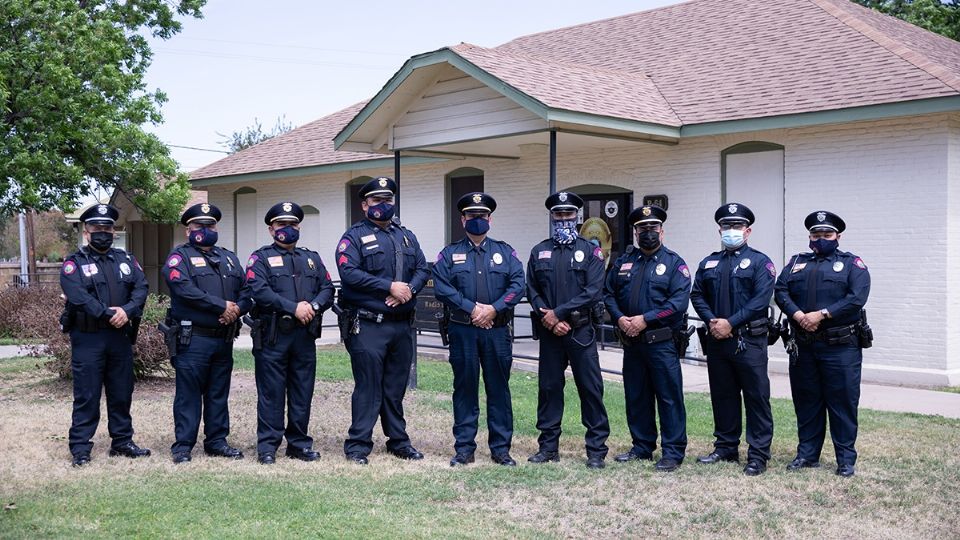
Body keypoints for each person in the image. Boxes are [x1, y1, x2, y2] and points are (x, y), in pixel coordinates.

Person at [336, 177, 430, 465]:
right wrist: (389, 286)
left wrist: (408, 290)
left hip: (401, 325)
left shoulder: (406, 235)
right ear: (365, 205)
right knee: (368, 387)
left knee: (395, 387)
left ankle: (398, 442)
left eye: (387, 199)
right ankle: (358, 445)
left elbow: (423, 268)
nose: (383, 205)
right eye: (376, 200)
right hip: (368, 325)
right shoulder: (352, 237)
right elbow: (349, 273)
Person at [432, 192, 525, 467]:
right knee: (464, 389)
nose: (477, 220)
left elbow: (518, 285)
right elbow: (441, 287)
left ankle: (501, 449)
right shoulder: (449, 254)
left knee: (499, 389)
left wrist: (493, 309)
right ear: (463, 219)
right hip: (463, 331)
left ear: (490, 219)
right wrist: (473, 309)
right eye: (471, 216)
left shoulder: (505, 252)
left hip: (496, 332)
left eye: (481, 216)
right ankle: (464, 448)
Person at [775, 210, 870, 478]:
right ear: (809, 236)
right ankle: (807, 455)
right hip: (804, 346)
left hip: (840, 347)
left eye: (826, 234)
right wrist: (797, 314)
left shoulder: (852, 264)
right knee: (807, 402)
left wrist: (822, 314)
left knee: (842, 403)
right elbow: (780, 290)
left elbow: (857, 297)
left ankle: (845, 460)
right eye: (816, 235)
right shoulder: (796, 263)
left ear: (837, 236)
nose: (821, 239)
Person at [60, 203, 150, 467]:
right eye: (97, 228)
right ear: (86, 232)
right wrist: (108, 314)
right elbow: (77, 295)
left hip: (119, 337)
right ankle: (80, 447)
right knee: (87, 394)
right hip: (89, 338)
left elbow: (141, 288)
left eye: (108, 228)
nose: (103, 232)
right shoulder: (74, 263)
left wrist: (128, 310)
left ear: (114, 231)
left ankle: (122, 442)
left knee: (122, 392)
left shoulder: (126, 260)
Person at [162, 203, 252, 463]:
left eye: (210, 225)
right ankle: (183, 446)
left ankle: (216, 441)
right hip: (193, 338)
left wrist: (236, 310)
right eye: (199, 225)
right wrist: (221, 305)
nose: (205, 230)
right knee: (189, 394)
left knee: (218, 393)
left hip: (223, 338)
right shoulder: (179, 258)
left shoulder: (229, 258)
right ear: (188, 229)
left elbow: (247, 291)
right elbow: (183, 289)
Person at [526, 191, 610, 469]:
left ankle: (596, 450)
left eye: (568, 214)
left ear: (578, 217)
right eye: (558, 214)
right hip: (550, 333)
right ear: (552, 217)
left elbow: (593, 290)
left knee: (590, 389)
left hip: (580, 331)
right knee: (549, 388)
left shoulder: (591, 251)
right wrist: (548, 316)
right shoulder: (539, 251)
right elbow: (532, 289)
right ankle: (548, 447)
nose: (563, 219)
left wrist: (558, 313)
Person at [245, 201, 334, 465]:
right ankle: (268, 446)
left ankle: (298, 444)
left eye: (292, 224)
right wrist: (293, 307)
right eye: (281, 224)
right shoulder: (259, 258)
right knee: (271, 392)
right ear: (271, 229)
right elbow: (258, 291)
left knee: (302, 391)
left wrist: (313, 306)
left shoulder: (312, 258)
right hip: (273, 335)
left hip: (304, 336)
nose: (288, 228)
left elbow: (327, 288)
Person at [603, 204, 690, 472]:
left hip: (661, 342)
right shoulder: (624, 262)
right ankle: (642, 446)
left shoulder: (674, 264)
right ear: (635, 233)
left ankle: (673, 452)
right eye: (642, 229)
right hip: (632, 343)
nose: (647, 233)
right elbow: (609, 294)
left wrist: (645, 319)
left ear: (662, 232)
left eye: (652, 228)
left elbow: (678, 303)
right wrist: (619, 318)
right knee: (636, 396)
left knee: (668, 397)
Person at [690, 203, 775, 476]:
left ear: (747, 231)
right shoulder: (709, 262)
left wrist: (731, 322)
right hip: (717, 339)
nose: (731, 231)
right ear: (719, 230)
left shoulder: (761, 262)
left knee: (756, 396)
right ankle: (725, 447)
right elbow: (697, 295)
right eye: (727, 226)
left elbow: (761, 299)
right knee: (723, 395)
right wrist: (712, 321)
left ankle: (758, 454)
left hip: (748, 339)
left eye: (737, 226)